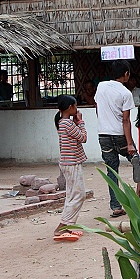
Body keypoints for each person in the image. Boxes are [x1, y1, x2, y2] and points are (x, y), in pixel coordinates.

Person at [95, 60, 140, 218]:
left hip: (104, 135)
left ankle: (115, 206)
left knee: (111, 171)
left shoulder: (101, 86)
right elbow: (125, 120)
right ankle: (133, 158)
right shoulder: (126, 93)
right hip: (119, 134)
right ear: (126, 74)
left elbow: (98, 109)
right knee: (133, 154)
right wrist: (129, 143)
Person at [52, 95, 87, 242]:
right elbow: (83, 137)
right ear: (69, 108)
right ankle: (63, 225)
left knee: (72, 195)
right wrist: (80, 122)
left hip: (68, 162)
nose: (77, 109)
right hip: (72, 163)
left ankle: (68, 225)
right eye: (75, 106)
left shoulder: (63, 122)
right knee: (79, 194)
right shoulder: (67, 123)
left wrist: (76, 123)